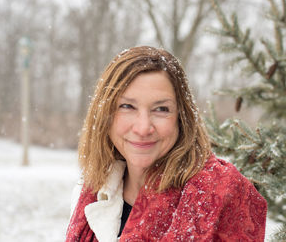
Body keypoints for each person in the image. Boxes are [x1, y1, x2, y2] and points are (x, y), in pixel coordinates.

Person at [65, 46, 267, 242]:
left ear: (181, 118)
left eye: (161, 109)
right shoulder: (94, 191)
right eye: (127, 106)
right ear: (104, 116)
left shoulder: (222, 192)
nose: (143, 128)